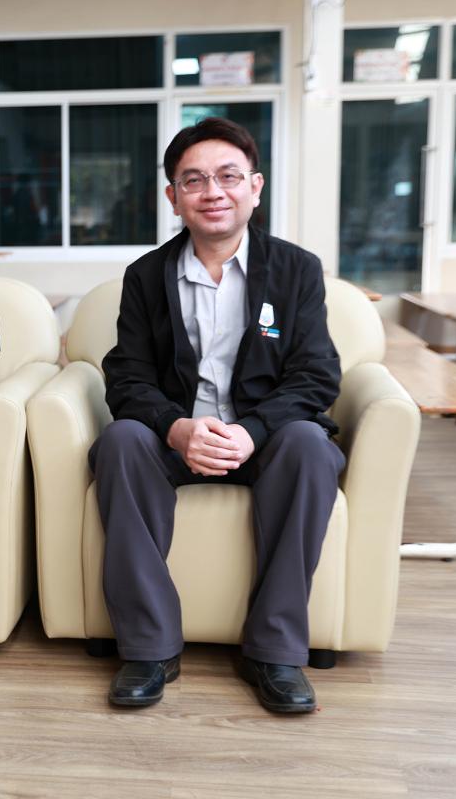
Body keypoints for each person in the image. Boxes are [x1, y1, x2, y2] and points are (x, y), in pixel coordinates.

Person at [90, 117, 345, 714]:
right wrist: (177, 428)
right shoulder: (146, 276)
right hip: (178, 442)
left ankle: (274, 652)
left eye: (228, 177)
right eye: (194, 180)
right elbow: (127, 377)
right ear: (172, 196)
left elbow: (315, 375)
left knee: (310, 445)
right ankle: (149, 648)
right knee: (121, 441)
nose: (213, 192)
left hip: (267, 441)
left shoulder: (296, 270)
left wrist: (252, 433)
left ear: (255, 187)